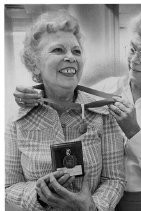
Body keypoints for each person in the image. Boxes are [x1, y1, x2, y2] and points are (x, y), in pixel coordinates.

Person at [13, 8, 141, 211]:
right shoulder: (107, 89)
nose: (134, 59)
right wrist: (32, 94)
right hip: (105, 202)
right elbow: (64, 89)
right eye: (132, 49)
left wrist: (134, 132)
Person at [5, 10, 126, 211]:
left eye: (76, 51)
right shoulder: (17, 121)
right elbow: (8, 186)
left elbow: (114, 179)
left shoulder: (103, 113)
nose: (71, 57)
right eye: (58, 50)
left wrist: (91, 207)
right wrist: (40, 195)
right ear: (35, 64)